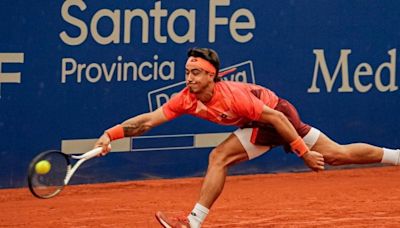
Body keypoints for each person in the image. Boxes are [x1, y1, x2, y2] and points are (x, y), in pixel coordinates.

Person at [94, 47, 399, 228]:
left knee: (334, 155)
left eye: (196, 73)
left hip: (278, 114)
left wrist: (302, 153)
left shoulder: (233, 97)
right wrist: (110, 134)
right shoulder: (185, 98)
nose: (189, 78)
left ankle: (193, 222)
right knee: (337, 154)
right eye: (187, 72)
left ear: (212, 75)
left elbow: (277, 118)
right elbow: (147, 121)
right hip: (261, 124)